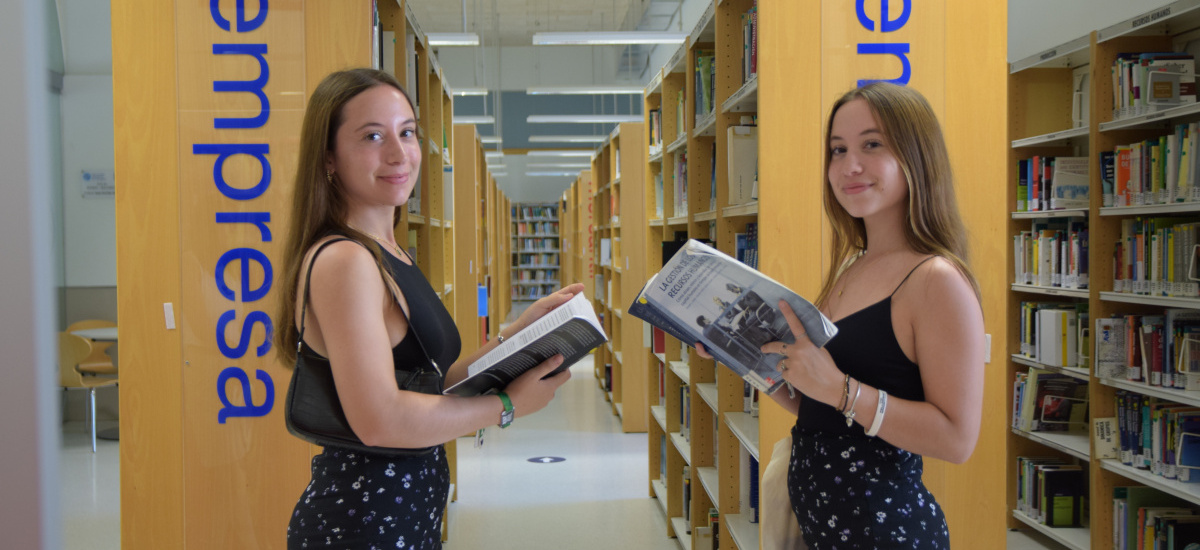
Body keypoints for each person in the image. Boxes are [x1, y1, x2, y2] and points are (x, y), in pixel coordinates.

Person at [275, 68, 582, 549]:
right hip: (362, 526)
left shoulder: (389, 252)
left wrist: (515, 335)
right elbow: (380, 418)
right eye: (372, 136)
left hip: (403, 515)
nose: (399, 154)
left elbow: (427, 382)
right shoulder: (346, 261)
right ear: (329, 158)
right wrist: (504, 407)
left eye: (407, 132)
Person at [698, 82, 984, 548]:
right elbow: (821, 409)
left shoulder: (936, 280)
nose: (849, 166)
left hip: (885, 534)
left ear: (916, 155)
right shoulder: (851, 267)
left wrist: (840, 389)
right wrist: (749, 357)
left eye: (872, 145)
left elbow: (956, 438)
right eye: (837, 149)